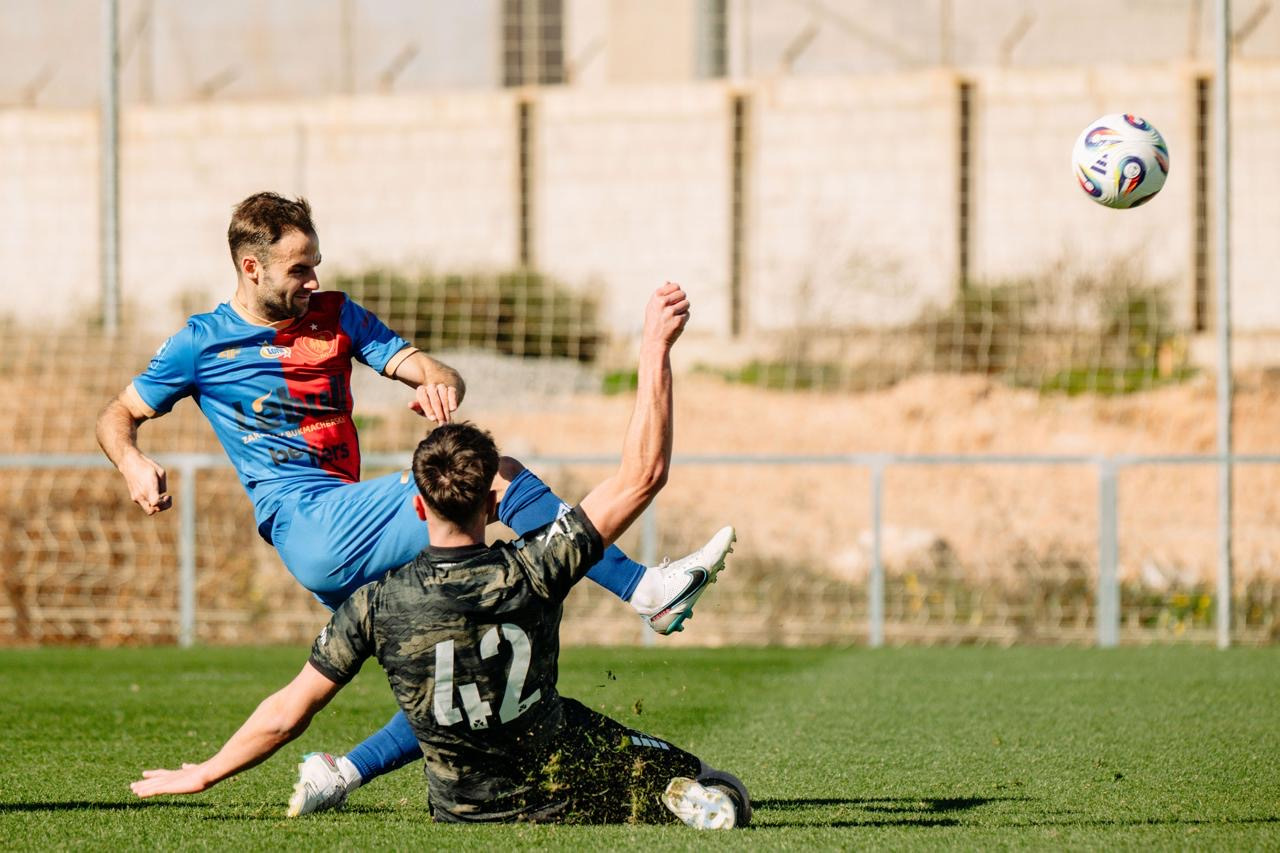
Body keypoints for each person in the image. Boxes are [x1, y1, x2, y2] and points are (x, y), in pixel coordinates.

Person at [96, 193, 735, 815]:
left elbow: (439, 372)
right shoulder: (200, 343)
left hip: (349, 523)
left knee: (457, 662)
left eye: (316, 264)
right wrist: (131, 461)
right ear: (251, 267)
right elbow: (117, 415)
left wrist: (438, 387)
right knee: (496, 476)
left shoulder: (337, 315)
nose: (313, 279)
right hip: (312, 523)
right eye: (299, 269)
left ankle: (339, 773)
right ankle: (645, 590)